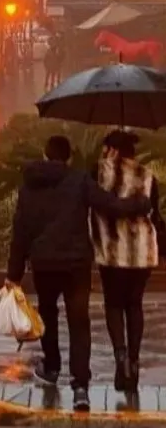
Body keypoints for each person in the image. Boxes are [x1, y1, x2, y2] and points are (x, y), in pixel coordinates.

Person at [6, 134, 151, 413]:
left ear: (46, 155)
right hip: (76, 266)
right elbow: (110, 204)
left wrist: (13, 273)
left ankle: (51, 368)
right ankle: (80, 387)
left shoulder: (29, 187)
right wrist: (140, 204)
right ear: (69, 157)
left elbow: (20, 233)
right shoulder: (79, 179)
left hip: (44, 265)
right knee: (79, 323)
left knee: (47, 313)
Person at [91, 129, 165, 392]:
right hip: (143, 253)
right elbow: (154, 214)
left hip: (112, 254)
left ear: (111, 150)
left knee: (113, 305)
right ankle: (133, 362)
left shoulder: (98, 173)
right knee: (135, 305)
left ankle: (120, 358)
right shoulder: (148, 177)